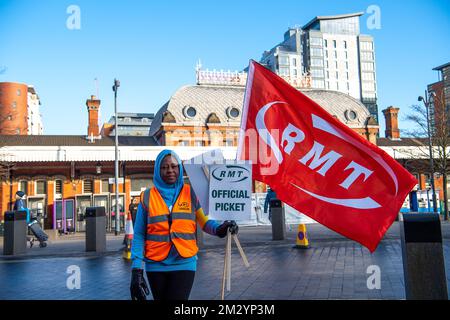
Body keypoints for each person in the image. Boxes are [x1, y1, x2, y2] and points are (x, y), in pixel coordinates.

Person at [130, 149, 238, 301]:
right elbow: (139, 235)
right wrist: (136, 270)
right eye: (164, 167)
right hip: (155, 265)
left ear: (179, 169)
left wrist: (221, 228)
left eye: (174, 166)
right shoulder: (146, 197)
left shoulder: (191, 193)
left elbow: (205, 223)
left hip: (184, 263)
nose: (170, 170)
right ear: (157, 170)